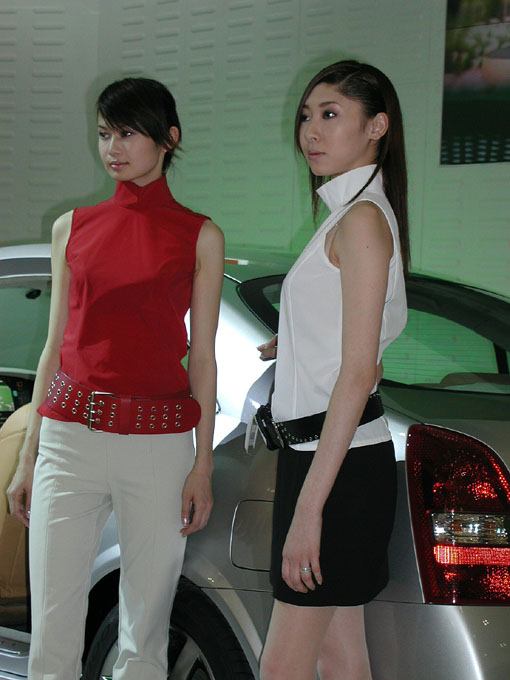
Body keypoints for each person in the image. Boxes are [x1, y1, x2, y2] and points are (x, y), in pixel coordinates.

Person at [6, 77, 224, 680]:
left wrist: (202, 464)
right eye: (104, 134)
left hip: (158, 444)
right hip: (69, 440)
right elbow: (55, 347)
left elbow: (204, 359)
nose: (113, 148)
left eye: (128, 133)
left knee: (143, 634)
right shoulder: (71, 227)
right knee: (52, 627)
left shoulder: (200, 235)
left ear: (168, 138)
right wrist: (29, 454)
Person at [258, 60, 409, 680]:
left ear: (377, 126)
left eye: (330, 114)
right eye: (306, 116)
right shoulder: (351, 215)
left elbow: (357, 373)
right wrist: (295, 342)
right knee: (340, 658)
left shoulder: (362, 219)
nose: (311, 131)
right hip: (332, 458)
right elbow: (358, 346)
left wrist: (308, 509)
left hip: (335, 466)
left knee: (283, 667)